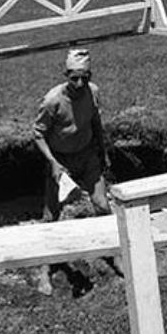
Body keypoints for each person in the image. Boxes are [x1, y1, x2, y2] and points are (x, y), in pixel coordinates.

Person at [34, 48, 109, 222]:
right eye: (74, 78)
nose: (80, 84)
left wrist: (102, 151)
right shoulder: (53, 101)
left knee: (102, 206)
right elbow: (39, 134)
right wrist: (53, 162)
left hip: (87, 153)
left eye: (85, 78)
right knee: (51, 214)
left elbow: (96, 122)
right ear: (66, 76)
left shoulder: (93, 92)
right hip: (60, 159)